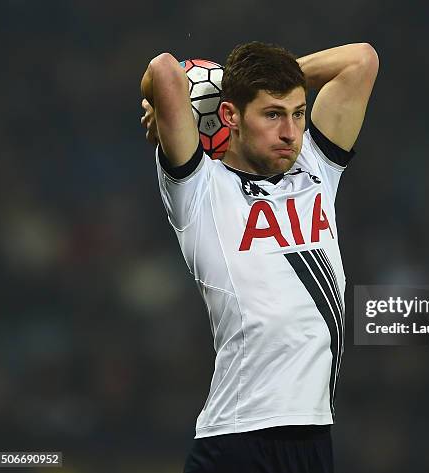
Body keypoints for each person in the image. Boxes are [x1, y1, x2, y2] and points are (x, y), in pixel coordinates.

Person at [140, 41, 378, 473]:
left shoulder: (315, 167)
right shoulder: (200, 188)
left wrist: (282, 80)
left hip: (314, 434)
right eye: (272, 114)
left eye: (299, 113)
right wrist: (173, 97)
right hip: (237, 438)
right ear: (230, 115)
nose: (290, 132)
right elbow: (163, 72)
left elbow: (362, 59)